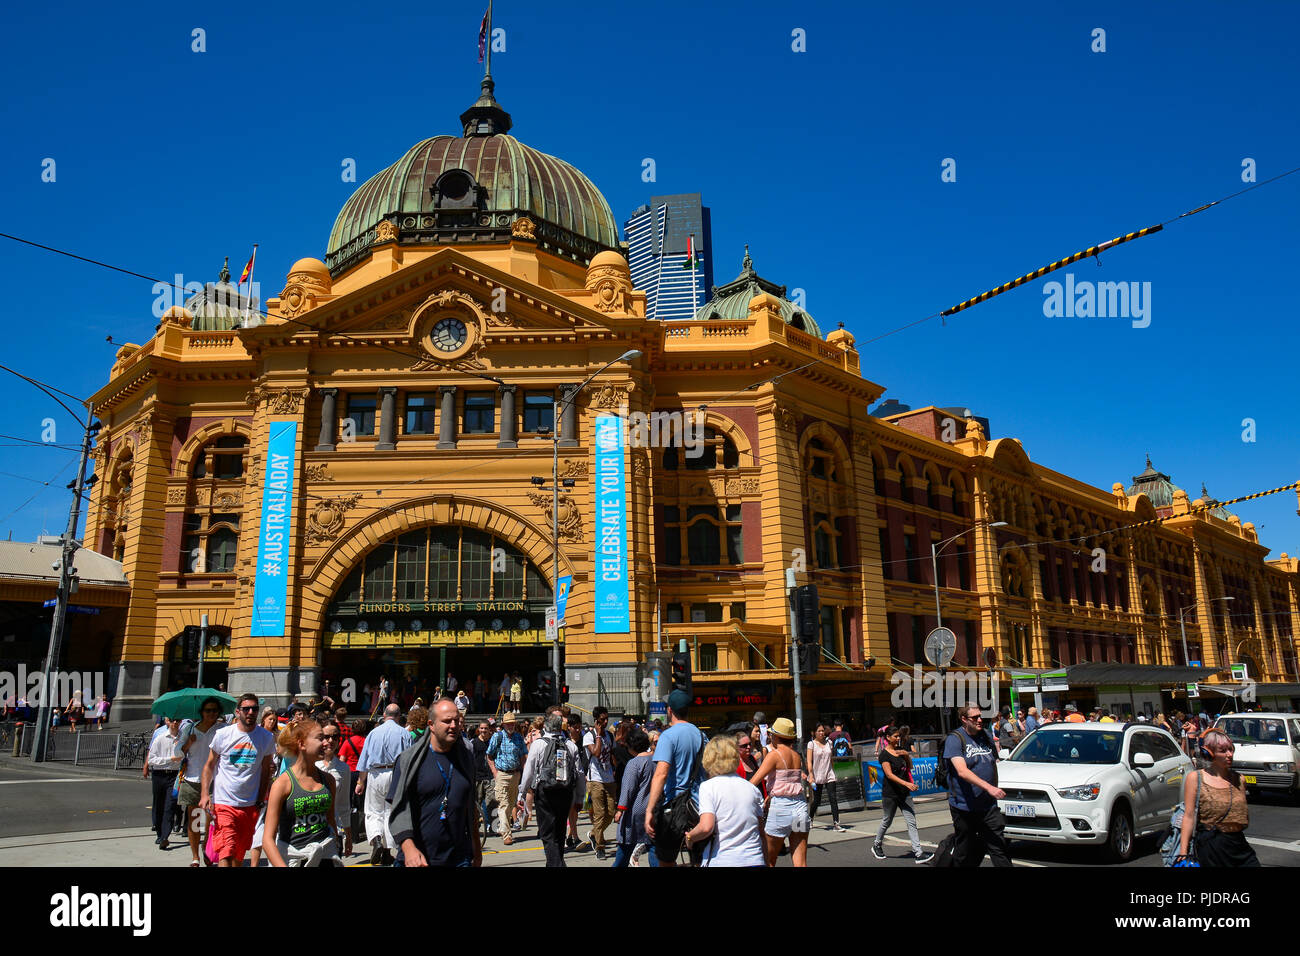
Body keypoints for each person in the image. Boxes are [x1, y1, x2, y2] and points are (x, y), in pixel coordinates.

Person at [386, 700, 482, 867]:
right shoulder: (409, 760)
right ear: (431, 724)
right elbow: (398, 808)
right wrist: (409, 849)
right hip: (417, 859)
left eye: (456, 721)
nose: (453, 725)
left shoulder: (466, 759)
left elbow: (470, 805)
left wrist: (476, 846)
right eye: (446, 721)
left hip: (458, 859)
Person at [200, 693, 277, 867]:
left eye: (254, 709)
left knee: (238, 855)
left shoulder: (266, 738)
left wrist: (260, 798)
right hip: (224, 803)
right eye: (246, 708)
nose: (250, 712)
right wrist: (205, 794)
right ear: (237, 712)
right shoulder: (223, 734)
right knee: (226, 852)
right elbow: (209, 766)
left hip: (249, 805)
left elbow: (266, 770)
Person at [261, 719, 340, 867]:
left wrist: (336, 846)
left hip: (326, 856)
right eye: (320, 738)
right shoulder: (282, 784)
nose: (326, 743)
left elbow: (330, 820)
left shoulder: (328, 780)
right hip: (293, 859)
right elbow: (267, 839)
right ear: (302, 744)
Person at [1177, 729, 1260, 866]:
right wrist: (1183, 851)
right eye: (1223, 750)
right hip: (1212, 845)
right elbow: (1189, 816)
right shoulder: (1195, 778)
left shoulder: (1240, 779)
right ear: (1209, 752)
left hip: (1238, 843)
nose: (1229, 755)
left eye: (1231, 749)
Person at [943, 703, 1011, 867]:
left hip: (988, 806)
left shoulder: (985, 735)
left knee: (999, 848)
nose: (980, 720)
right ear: (964, 719)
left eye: (981, 716)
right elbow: (962, 771)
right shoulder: (955, 739)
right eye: (975, 717)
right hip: (964, 807)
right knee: (965, 851)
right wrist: (989, 787)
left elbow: (994, 762)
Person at [645, 690, 706, 867]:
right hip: (697, 806)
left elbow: (661, 774)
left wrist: (649, 810)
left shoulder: (668, 736)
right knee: (698, 860)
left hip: (673, 807)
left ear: (669, 710)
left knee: (666, 860)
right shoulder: (701, 735)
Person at [684, 735, 765, 867]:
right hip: (754, 858)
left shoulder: (708, 787)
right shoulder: (752, 788)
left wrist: (690, 837)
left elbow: (706, 827)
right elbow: (761, 832)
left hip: (724, 858)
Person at [517, 712, 580, 866]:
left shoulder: (539, 744)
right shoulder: (570, 745)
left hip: (545, 793)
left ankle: (557, 864)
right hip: (565, 793)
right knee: (559, 832)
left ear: (546, 726)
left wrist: (522, 793)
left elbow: (529, 771)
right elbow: (579, 773)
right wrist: (579, 797)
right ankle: (555, 862)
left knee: (547, 835)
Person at [749, 717, 809, 867]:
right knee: (800, 861)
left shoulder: (774, 755)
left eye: (771, 735)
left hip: (781, 809)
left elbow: (754, 781)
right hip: (800, 807)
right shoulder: (796, 756)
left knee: (769, 859)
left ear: (776, 736)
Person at [355, 704, 409, 866]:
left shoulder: (373, 733)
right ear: (398, 716)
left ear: (384, 715)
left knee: (373, 810)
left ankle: (376, 838)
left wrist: (360, 781)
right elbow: (409, 759)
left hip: (375, 773)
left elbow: (364, 760)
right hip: (395, 773)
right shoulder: (404, 733)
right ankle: (387, 850)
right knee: (389, 811)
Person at [872, 725, 931, 863]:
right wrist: (906, 784)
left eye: (899, 736)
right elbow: (889, 774)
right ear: (888, 738)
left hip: (904, 794)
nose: (898, 739)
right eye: (895, 736)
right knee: (887, 820)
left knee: (911, 822)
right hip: (891, 794)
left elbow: (909, 766)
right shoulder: (884, 755)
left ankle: (918, 853)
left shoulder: (900, 750)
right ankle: (877, 844)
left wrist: (906, 755)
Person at [178, 698, 225, 866]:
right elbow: (178, 752)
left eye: (214, 710)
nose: (211, 713)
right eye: (208, 710)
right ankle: (195, 856)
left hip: (215, 781)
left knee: (211, 820)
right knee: (195, 821)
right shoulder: (190, 729)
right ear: (202, 712)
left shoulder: (223, 729)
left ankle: (207, 848)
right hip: (192, 779)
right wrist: (188, 743)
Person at [612, 728, 657, 867]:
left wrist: (620, 809)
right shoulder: (656, 760)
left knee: (625, 849)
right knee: (654, 848)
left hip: (635, 811)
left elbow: (628, 789)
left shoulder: (634, 763)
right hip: (654, 809)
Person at [486, 711, 528, 844]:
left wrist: (523, 772)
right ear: (503, 725)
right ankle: (507, 835)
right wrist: (495, 771)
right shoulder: (497, 737)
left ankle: (503, 827)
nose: (510, 726)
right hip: (502, 774)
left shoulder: (518, 737)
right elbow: (489, 755)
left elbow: (523, 755)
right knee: (503, 804)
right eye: (508, 724)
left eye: (512, 723)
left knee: (511, 804)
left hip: (515, 774)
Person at [583, 706, 618, 859]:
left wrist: (616, 769)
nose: (605, 722)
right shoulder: (589, 736)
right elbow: (596, 753)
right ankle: (600, 846)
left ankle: (593, 833)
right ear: (596, 720)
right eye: (602, 720)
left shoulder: (610, 736)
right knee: (599, 814)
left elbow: (611, 754)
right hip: (595, 779)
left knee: (610, 813)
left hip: (609, 778)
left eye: (606, 719)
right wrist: (598, 735)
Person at [144, 716, 183, 850]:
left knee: (170, 804)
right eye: (172, 720)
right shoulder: (160, 738)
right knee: (159, 804)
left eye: (178, 720)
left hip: (174, 775)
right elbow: (152, 760)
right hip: (159, 774)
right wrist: (170, 759)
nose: (175, 723)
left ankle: (165, 836)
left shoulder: (183, 739)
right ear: (167, 722)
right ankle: (160, 833)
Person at [316, 720, 353, 859]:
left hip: (334, 832)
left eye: (335, 737)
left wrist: (348, 836)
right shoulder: (310, 764)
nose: (330, 741)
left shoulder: (343, 769)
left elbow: (344, 805)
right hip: (309, 832)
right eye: (326, 737)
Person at [806, 724, 844, 832]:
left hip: (829, 774)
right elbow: (809, 761)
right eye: (819, 731)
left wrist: (833, 770)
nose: (822, 733)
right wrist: (811, 775)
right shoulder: (811, 744)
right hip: (817, 775)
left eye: (823, 731)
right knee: (817, 800)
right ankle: (810, 818)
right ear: (814, 732)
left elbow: (831, 758)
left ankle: (836, 823)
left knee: (833, 798)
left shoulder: (829, 743)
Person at [470, 720, 497, 840]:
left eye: (485, 728)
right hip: (477, 776)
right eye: (481, 728)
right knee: (477, 802)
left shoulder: (492, 742)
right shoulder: (474, 743)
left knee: (492, 801)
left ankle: (493, 826)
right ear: (478, 729)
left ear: (489, 729)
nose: (483, 731)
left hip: (490, 776)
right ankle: (475, 826)